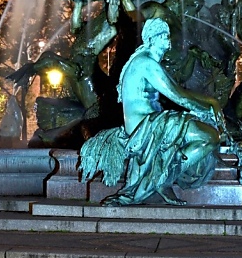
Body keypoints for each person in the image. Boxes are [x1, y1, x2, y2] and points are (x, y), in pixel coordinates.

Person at [80, 18, 222, 204]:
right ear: (151, 39)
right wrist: (206, 110)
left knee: (207, 135)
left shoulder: (146, 61)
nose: (168, 40)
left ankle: (165, 172)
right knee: (209, 137)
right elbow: (178, 96)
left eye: (168, 35)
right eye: (163, 36)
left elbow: (179, 91)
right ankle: (164, 175)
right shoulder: (146, 63)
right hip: (145, 126)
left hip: (151, 122)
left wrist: (209, 104)